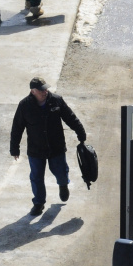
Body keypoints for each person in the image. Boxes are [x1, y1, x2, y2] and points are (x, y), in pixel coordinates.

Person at [10, 77, 87, 216]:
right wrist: (14, 148)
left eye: (46, 88)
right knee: (36, 177)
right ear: (33, 91)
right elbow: (17, 127)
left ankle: (63, 185)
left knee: (61, 171)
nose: (45, 91)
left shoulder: (56, 100)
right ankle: (39, 203)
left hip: (56, 147)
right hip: (36, 149)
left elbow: (70, 117)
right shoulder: (24, 105)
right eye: (41, 90)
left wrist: (80, 132)